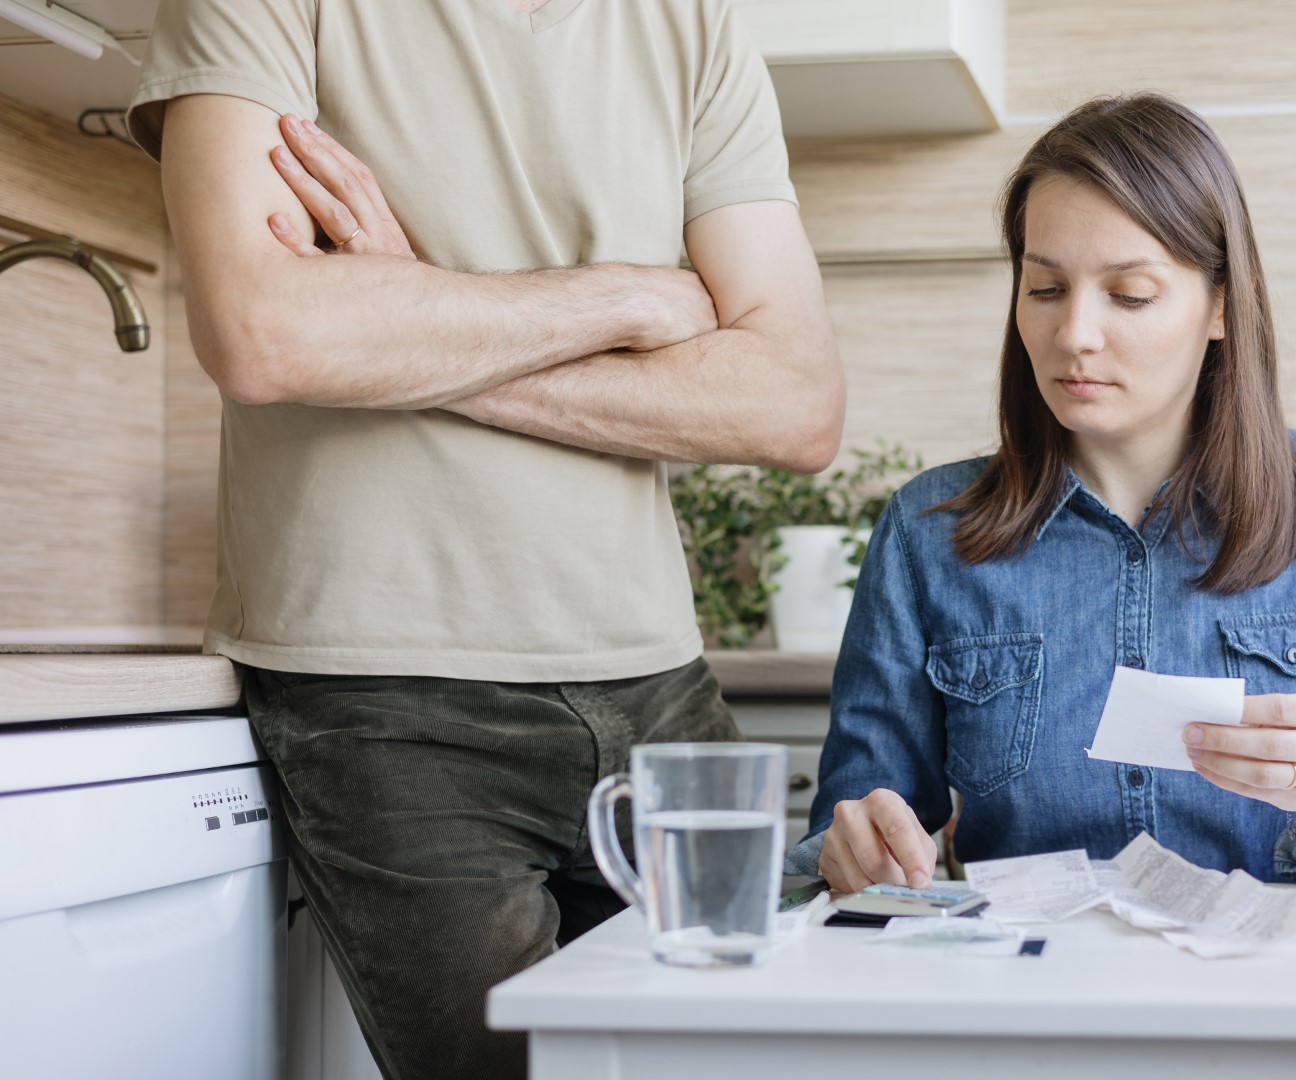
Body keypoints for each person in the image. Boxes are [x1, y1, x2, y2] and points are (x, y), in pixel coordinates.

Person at [126, 1, 843, 1078]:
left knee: (738, 1065)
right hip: (389, 703)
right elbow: (266, 335)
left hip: (661, 688)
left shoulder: (692, 22)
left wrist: (412, 311)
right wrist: (626, 300)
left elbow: (792, 406)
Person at [787, 93, 1296, 894]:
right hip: (1037, 997)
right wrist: (853, 851)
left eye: (1130, 294)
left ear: (1220, 304)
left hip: (1280, 999)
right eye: (1044, 290)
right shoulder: (926, 531)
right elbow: (837, 844)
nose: (1074, 333)